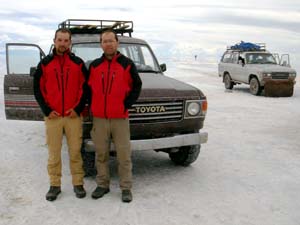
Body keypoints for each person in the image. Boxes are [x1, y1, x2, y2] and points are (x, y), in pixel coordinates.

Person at [33, 28, 88, 201]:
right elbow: (37, 89)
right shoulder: (44, 64)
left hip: (73, 116)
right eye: (60, 40)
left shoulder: (78, 63)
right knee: (54, 153)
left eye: (66, 40)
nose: (63, 44)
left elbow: (85, 88)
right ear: (54, 41)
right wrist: (47, 110)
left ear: (70, 42)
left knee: (75, 152)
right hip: (53, 117)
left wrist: (77, 109)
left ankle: (78, 183)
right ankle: (54, 185)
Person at [88, 29, 142, 203]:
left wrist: (125, 105)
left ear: (117, 43)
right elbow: (88, 89)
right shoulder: (95, 66)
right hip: (100, 119)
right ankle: (102, 184)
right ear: (101, 44)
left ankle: (126, 187)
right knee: (101, 154)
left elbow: (137, 86)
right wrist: (92, 105)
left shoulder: (127, 64)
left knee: (123, 155)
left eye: (111, 40)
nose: (108, 44)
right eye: (105, 41)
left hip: (120, 118)